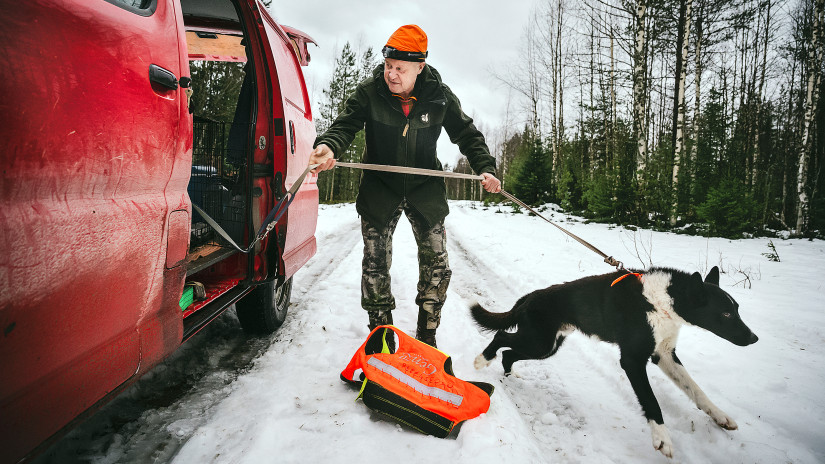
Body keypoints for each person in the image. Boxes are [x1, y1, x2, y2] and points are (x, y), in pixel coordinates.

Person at [309, 25, 501, 348]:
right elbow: (345, 125)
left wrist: (485, 168)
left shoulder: (439, 95)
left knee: (437, 264)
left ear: (420, 67)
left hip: (425, 187)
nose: (391, 74)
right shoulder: (370, 91)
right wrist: (328, 147)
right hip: (380, 187)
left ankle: (427, 335)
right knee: (375, 263)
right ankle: (381, 334)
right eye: (388, 65)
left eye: (400, 68)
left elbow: (467, 134)